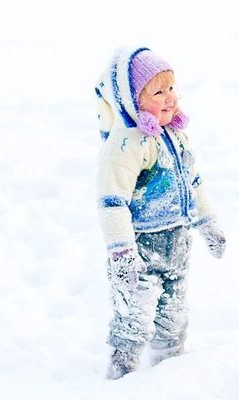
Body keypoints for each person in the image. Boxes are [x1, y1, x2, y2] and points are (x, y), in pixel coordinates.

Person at [94, 46, 226, 379]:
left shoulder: (175, 135)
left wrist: (208, 223)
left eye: (171, 88)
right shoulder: (127, 144)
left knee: (174, 315)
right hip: (140, 249)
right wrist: (121, 252)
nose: (169, 97)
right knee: (134, 317)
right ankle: (121, 375)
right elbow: (113, 202)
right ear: (132, 100)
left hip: (177, 244)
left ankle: (170, 373)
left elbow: (193, 183)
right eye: (158, 91)